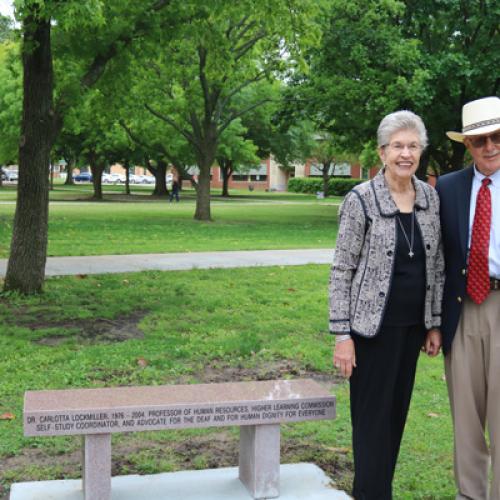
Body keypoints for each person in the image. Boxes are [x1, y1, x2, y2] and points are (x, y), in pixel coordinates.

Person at [329, 110, 444, 499]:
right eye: (398, 146)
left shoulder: (430, 198)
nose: (405, 154)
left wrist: (434, 323)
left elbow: (437, 264)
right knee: (371, 425)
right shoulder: (361, 200)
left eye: (413, 146)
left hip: (411, 329)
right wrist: (342, 335)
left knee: (395, 420)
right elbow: (341, 269)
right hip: (369, 333)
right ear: (382, 152)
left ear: (421, 151)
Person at [436, 96, 500, 500]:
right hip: (461, 309)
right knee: (465, 413)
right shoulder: (448, 187)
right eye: (480, 140)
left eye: (497, 137)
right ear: (467, 146)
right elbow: (436, 257)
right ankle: (471, 494)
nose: (490, 146)